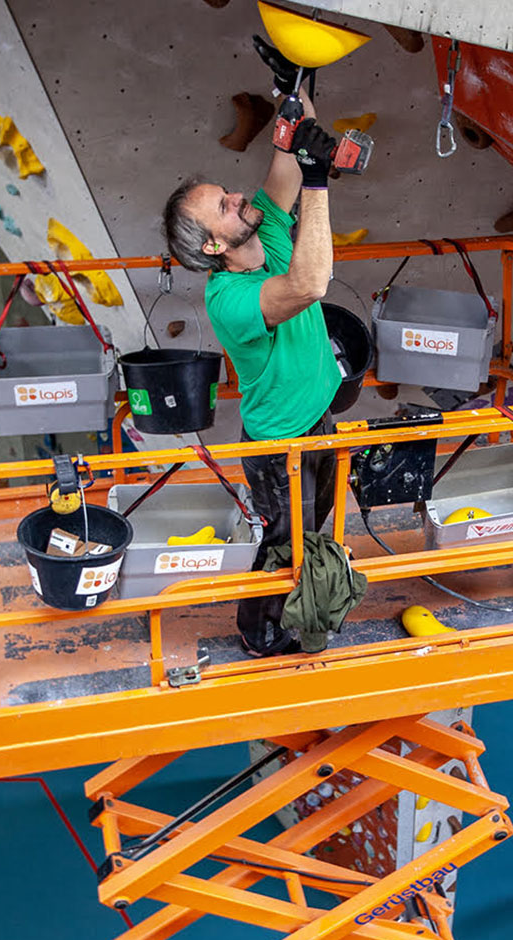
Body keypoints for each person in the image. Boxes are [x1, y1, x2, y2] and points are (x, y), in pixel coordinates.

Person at [163, 78, 344, 658]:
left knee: (315, 528)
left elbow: (287, 158)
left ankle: (302, 608)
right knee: (282, 543)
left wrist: (295, 84)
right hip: (278, 441)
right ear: (214, 246)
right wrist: (319, 180)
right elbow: (310, 284)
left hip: (316, 416)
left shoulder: (262, 222)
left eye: (228, 193)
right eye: (224, 205)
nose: (238, 198)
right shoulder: (230, 300)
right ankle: (260, 630)